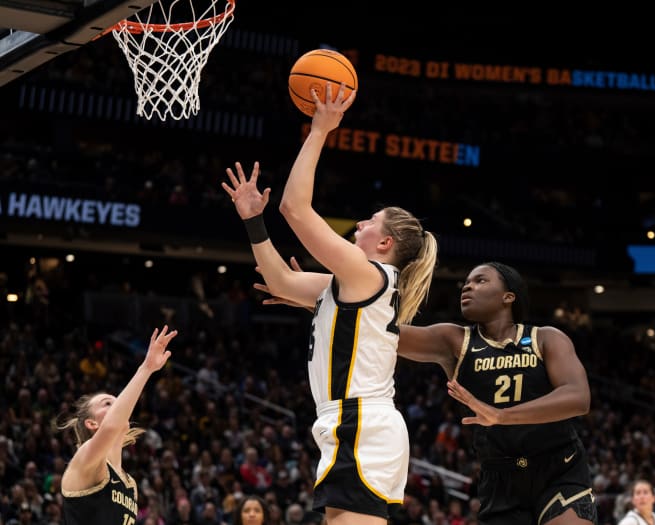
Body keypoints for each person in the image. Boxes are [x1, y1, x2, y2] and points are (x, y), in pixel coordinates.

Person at [221, 83, 438, 525]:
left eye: (369, 222)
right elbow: (281, 280)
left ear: (384, 242)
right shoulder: (355, 280)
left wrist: (320, 129)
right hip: (347, 425)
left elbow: (295, 208)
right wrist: (252, 222)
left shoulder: (367, 273)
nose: (359, 223)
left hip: (363, 426)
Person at [258, 261, 597, 525]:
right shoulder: (454, 340)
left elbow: (578, 398)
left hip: (558, 466)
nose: (467, 286)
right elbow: (377, 331)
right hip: (500, 476)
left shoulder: (546, 338)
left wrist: (502, 416)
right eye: (466, 281)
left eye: (481, 281)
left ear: (509, 296)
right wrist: (320, 305)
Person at [55, 325, 178, 525]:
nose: (118, 408)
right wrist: (146, 368)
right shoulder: (86, 458)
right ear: (91, 423)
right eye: (108, 404)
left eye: (117, 403)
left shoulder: (129, 484)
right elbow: (111, 426)